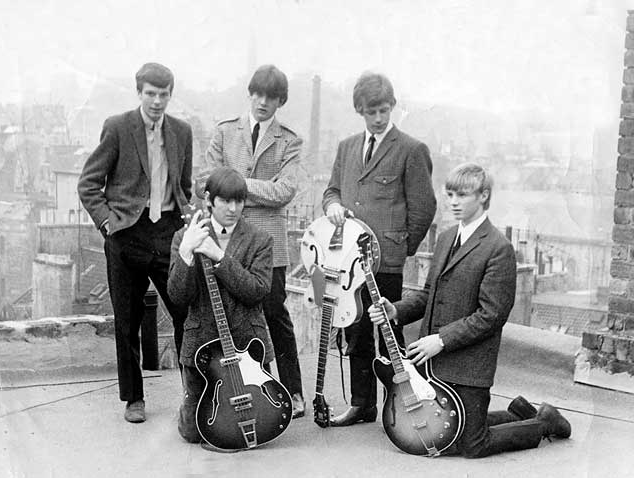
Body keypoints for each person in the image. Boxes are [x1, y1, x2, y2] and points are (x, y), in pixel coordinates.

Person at [368, 163, 571, 458]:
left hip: (469, 366)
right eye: (450, 194)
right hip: (435, 366)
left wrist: (441, 340)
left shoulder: (499, 248)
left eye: (462, 195)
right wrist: (395, 311)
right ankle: (519, 412)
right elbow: (428, 295)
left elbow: (491, 315)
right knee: (451, 432)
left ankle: (543, 422)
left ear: (484, 195)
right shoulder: (446, 238)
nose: (453, 202)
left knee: (471, 444)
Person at [77, 62, 193, 423]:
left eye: (164, 94)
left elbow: (184, 187)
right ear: (139, 93)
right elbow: (88, 184)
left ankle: (194, 391)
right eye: (151, 94)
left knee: (184, 313)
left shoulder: (182, 132)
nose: (158, 101)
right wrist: (108, 223)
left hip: (167, 232)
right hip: (127, 234)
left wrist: (186, 220)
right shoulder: (117, 127)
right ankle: (134, 399)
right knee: (126, 321)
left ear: (171, 95)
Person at [322, 71, 437, 426]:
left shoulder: (411, 150)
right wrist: (332, 207)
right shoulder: (346, 147)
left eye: (385, 110)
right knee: (354, 331)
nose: (379, 118)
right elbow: (332, 191)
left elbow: (424, 207)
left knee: (388, 330)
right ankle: (363, 404)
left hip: (385, 263)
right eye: (372, 111)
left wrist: (400, 249)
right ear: (360, 110)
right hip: (348, 262)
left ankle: (403, 403)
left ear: (393, 108)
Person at [203, 64, 305, 418]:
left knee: (275, 314)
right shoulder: (225, 132)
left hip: (269, 243)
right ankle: (244, 390)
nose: (263, 102)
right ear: (249, 94)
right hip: (226, 239)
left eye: (272, 97)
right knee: (231, 316)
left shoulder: (289, 140)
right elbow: (210, 179)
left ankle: (293, 391)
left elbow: (286, 190)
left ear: (281, 101)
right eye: (258, 94)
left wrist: (237, 186)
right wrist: (243, 187)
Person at [167, 167, 274, 443]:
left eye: (239, 201)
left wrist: (218, 256)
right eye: (225, 201)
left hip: (247, 345)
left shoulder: (260, 240)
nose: (233, 208)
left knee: (263, 427)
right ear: (209, 201)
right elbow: (178, 296)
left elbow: (257, 291)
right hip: (202, 346)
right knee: (194, 433)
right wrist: (186, 253)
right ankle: (191, 401)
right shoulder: (184, 236)